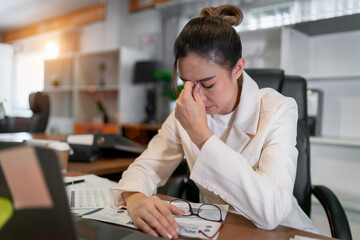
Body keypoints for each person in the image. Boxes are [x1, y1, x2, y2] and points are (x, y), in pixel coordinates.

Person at [110, 4, 318, 239]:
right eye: (186, 82)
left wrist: (201, 135)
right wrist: (135, 198)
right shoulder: (185, 111)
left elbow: (272, 213)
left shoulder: (278, 109)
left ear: (238, 68)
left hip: (283, 232)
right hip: (218, 229)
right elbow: (146, 167)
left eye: (207, 84)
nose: (196, 96)